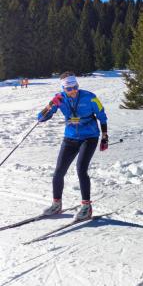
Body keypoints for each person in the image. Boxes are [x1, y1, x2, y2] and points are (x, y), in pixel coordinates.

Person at [37, 71, 108, 221]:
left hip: (89, 137)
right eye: (69, 89)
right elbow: (41, 118)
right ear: (63, 89)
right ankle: (56, 204)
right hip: (70, 137)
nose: (73, 91)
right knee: (58, 172)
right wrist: (51, 105)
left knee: (81, 169)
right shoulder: (59, 99)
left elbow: (102, 115)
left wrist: (105, 137)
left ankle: (86, 207)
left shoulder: (90, 97)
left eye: (75, 87)